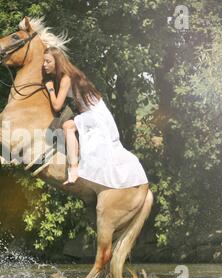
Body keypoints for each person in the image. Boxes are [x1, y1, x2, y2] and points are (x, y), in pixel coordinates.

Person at [43, 46, 148, 188]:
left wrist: (49, 88)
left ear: (57, 61)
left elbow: (57, 106)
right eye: (44, 61)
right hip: (95, 111)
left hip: (95, 113)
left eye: (48, 61)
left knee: (68, 126)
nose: (44, 65)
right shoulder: (68, 74)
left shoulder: (66, 78)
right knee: (71, 125)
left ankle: (74, 170)